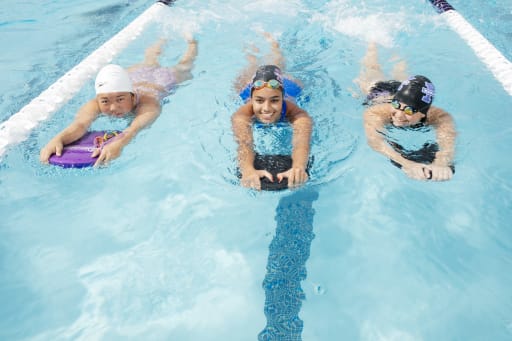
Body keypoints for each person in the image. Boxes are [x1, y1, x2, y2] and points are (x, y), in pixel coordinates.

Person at [40, 37, 198, 166]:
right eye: (105, 101)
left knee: (184, 66)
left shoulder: (149, 105)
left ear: (132, 96)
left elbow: (133, 129)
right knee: (150, 60)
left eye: (120, 99)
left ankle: (192, 43)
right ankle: (162, 38)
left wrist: (119, 143)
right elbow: (80, 125)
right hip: (137, 74)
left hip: (162, 81)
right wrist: (58, 139)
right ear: (99, 98)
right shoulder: (94, 104)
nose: (113, 107)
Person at [356, 43, 456, 181]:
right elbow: (376, 143)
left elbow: (447, 143)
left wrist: (441, 164)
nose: (399, 114)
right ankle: (373, 43)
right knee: (372, 68)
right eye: (396, 105)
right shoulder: (375, 113)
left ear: (423, 113)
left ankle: (394, 48)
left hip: (402, 92)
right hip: (378, 92)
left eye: (408, 110)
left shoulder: (440, 117)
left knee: (401, 72)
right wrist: (408, 164)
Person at [231, 33, 313, 190]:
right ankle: (252, 50)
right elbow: (244, 144)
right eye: (259, 101)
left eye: (275, 100)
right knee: (251, 65)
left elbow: (301, 144)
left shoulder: (298, 114)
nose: (267, 108)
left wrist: (299, 167)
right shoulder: (241, 116)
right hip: (248, 84)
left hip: (290, 85)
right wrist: (248, 170)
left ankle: (274, 44)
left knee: (278, 63)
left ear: (283, 98)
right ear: (252, 98)